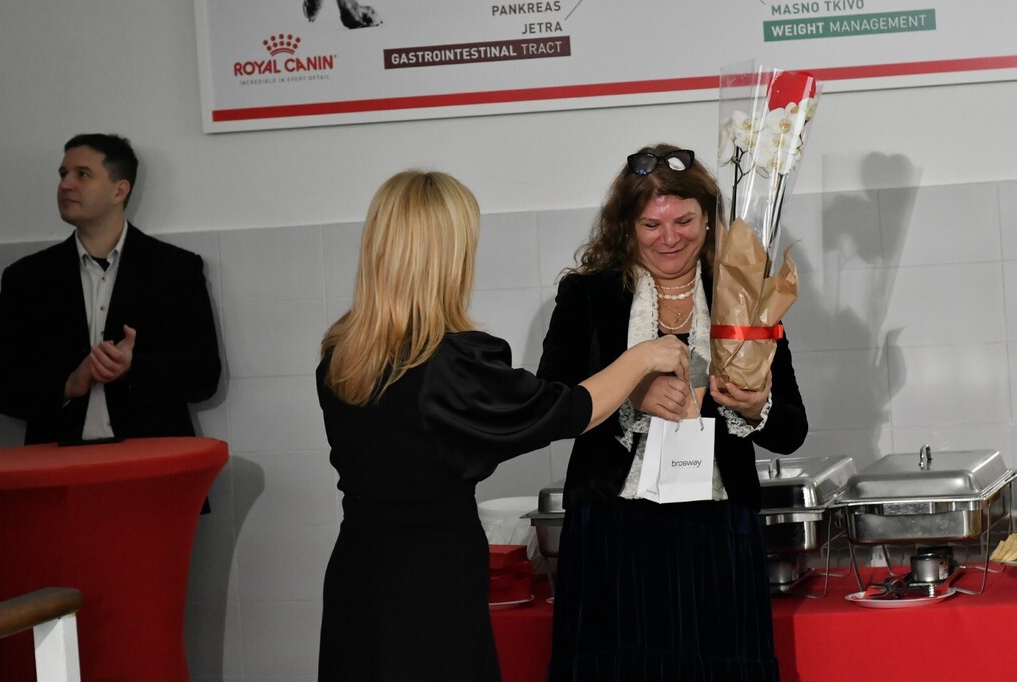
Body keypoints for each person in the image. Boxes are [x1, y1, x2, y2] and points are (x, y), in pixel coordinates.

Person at [315, 170, 688, 682]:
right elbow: (569, 410)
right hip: (429, 583)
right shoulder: (446, 366)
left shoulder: (342, 353)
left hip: (357, 570)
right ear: (447, 257)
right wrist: (643, 357)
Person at [538, 144, 808, 681]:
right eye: (651, 224)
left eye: (684, 221)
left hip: (717, 532)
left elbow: (792, 429)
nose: (669, 238)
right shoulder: (588, 295)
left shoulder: (744, 294)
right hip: (613, 532)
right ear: (626, 226)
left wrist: (756, 405)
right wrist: (628, 390)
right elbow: (550, 402)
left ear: (708, 219)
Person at [0, 133, 221, 445]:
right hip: (58, 462)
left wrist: (132, 369)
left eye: (82, 174)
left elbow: (204, 375)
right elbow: (0, 384)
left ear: (119, 190)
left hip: (152, 460)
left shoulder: (175, 270)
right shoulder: (26, 278)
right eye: (63, 174)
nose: (65, 185)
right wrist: (67, 384)